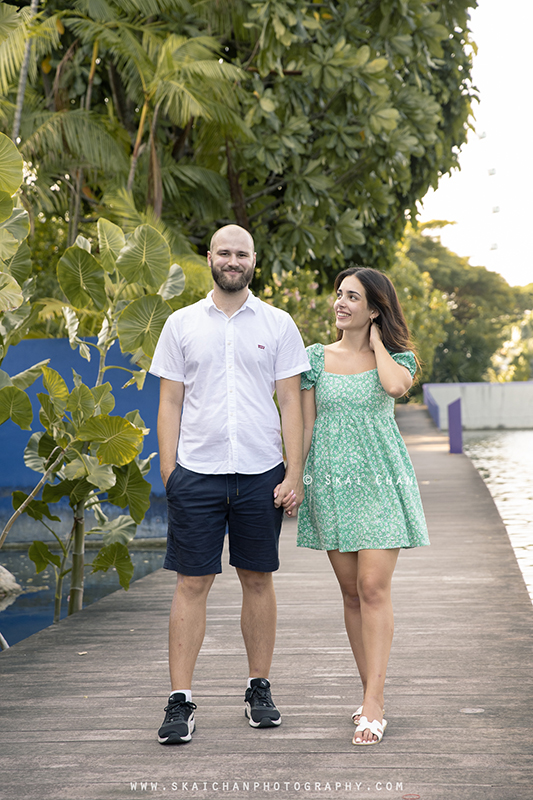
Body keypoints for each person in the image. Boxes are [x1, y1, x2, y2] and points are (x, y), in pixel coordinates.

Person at [149, 224, 310, 744]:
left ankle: (258, 689)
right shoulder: (180, 323)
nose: (233, 260)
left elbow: (290, 401)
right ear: (210, 258)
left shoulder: (278, 323)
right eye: (225, 252)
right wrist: (170, 471)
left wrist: (293, 472)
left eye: (242, 253)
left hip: (260, 472)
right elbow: (170, 400)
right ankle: (180, 700)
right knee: (191, 583)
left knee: (258, 579)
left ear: (253, 260)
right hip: (196, 472)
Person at [296, 266, 430, 746]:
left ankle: (374, 703)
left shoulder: (398, 360)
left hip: (380, 481)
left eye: (353, 297)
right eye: (339, 294)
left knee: (373, 588)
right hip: (332, 482)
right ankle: (370, 693)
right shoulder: (314, 358)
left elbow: (394, 388)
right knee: (351, 593)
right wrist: (296, 478)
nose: (341, 302)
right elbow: (305, 425)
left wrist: (375, 342)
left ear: (374, 308)